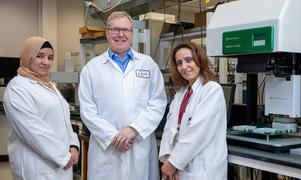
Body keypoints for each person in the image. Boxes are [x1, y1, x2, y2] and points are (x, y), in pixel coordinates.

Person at [78, 11, 167, 180]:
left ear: (132, 34)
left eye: (125, 30)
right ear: (107, 33)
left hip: (138, 146)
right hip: (106, 150)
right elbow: (87, 110)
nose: (120, 35)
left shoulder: (148, 65)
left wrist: (133, 130)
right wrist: (113, 137)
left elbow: (158, 103)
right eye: (115, 29)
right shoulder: (91, 69)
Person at [3, 36, 80, 180]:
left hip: (61, 163)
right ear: (28, 56)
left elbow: (64, 121)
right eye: (40, 56)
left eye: (50, 57)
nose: (46, 62)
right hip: (37, 167)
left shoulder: (48, 85)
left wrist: (73, 145)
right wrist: (63, 156)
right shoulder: (17, 88)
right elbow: (32, 130)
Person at [159, 41, 228, 180]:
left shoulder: (211, 90)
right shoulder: (181, 93)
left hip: (203, 169)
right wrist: (168, 158)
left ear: (200, 60)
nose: (184, 67)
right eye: (179, 63)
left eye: (188, 60)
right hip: (178, 168)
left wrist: (173, 163)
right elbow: (169, 129)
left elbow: (198, 133)